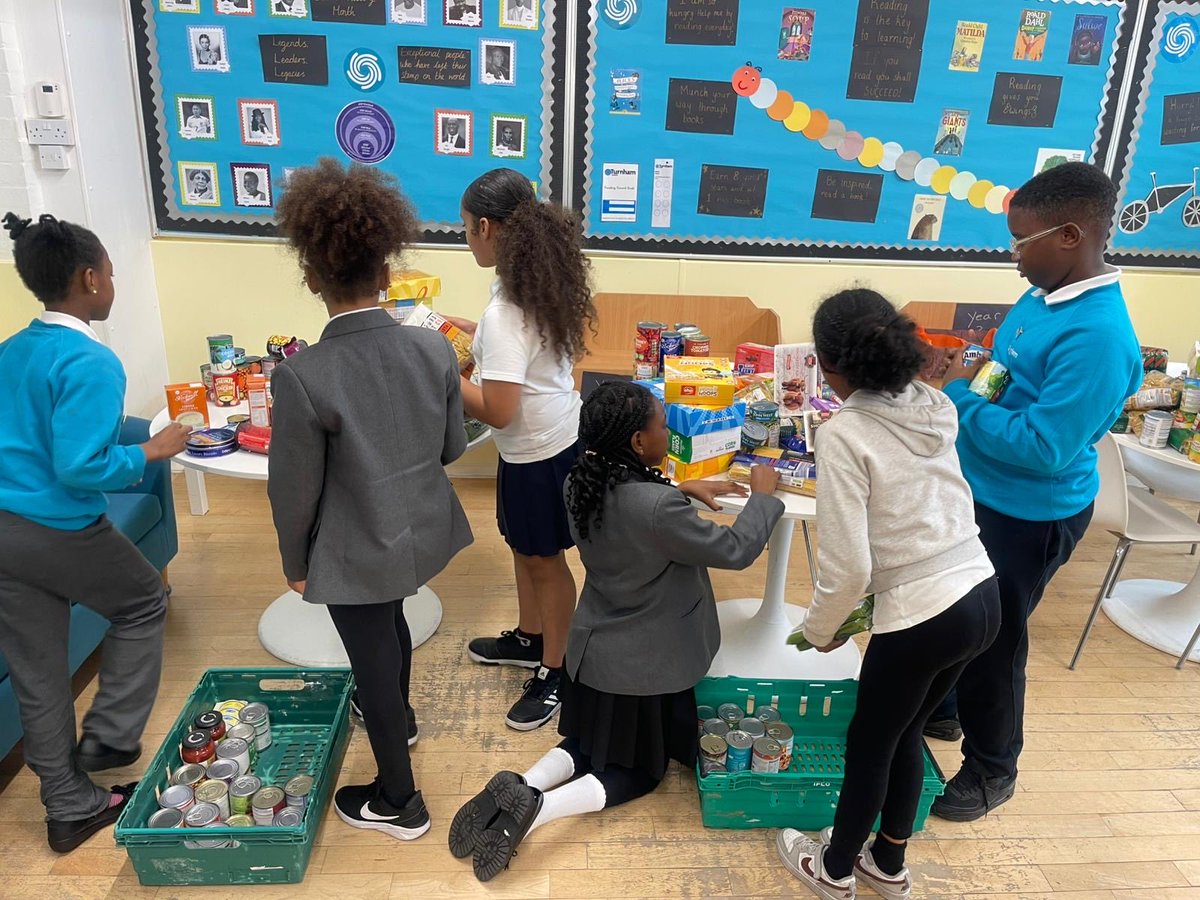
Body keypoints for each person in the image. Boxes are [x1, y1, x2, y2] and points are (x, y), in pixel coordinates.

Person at [449, 381, 783, 882]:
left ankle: (525, 780)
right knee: (638, 771)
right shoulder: (657, 509)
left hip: (593, 656)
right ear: (637, 442)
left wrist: (675, 491)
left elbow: (633, 513)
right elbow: (734, 550)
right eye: (662, 426)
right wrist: (763, 498)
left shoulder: (580, 480)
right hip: (646, 666)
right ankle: (539, 809)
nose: (668, 434)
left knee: (589, 743)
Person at [926, 162, 1142, 822]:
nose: (1013, 255)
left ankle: (993, 770)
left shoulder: (1098, 336)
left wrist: (960, 397)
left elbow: (1043, 447)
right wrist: (971, 376)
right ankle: (947, 709)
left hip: (1029, 515)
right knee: (955, 611)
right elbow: (1004, 374)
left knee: (995, 641)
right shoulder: (1043, 297)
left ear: (1070, 235)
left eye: (1022, 242)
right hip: (981, 490)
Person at [268, 158, 473, 841]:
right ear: (387, 272)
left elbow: (293, 490)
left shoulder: (303, 376)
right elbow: (451, 447)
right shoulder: (434, 350)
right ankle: (401, 718)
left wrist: (295, 560)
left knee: (372, 664)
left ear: (311, 277)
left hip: (356, 544)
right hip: (418, 529)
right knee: (390, 627)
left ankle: (399, 800)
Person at [774, 289, 1001, 900]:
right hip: (981, 593)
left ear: (828, 364)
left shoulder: (845, 433)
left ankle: (835, 869)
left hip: (927, 614)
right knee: (906, 732)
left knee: (870, 743)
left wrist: (820, 631)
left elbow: (847, 568)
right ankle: (888, 863)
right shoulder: (932, 402)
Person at [0, 212, 190, 854]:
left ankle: (68, 806)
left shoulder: (13, 349)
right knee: (143, 602)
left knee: (38, 673)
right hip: (57, 529)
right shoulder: (90, 360)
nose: (112, 284)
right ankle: (109, 735)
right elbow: (79, 466)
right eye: (109, 273)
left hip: (3, 531)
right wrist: (154, 450)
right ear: (89, 279)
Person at [449, 168, 593, 731]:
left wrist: (440, 368)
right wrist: (464, 331)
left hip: (538, 453)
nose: (466, 238)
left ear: (486, 227)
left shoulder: (507, 311)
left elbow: (498, 409)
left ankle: (557, 671)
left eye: (466, 228)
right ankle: (531, 636)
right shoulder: (527, 285)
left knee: (545, 561)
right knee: (523, 547)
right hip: (542, 442)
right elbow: (513, 353)